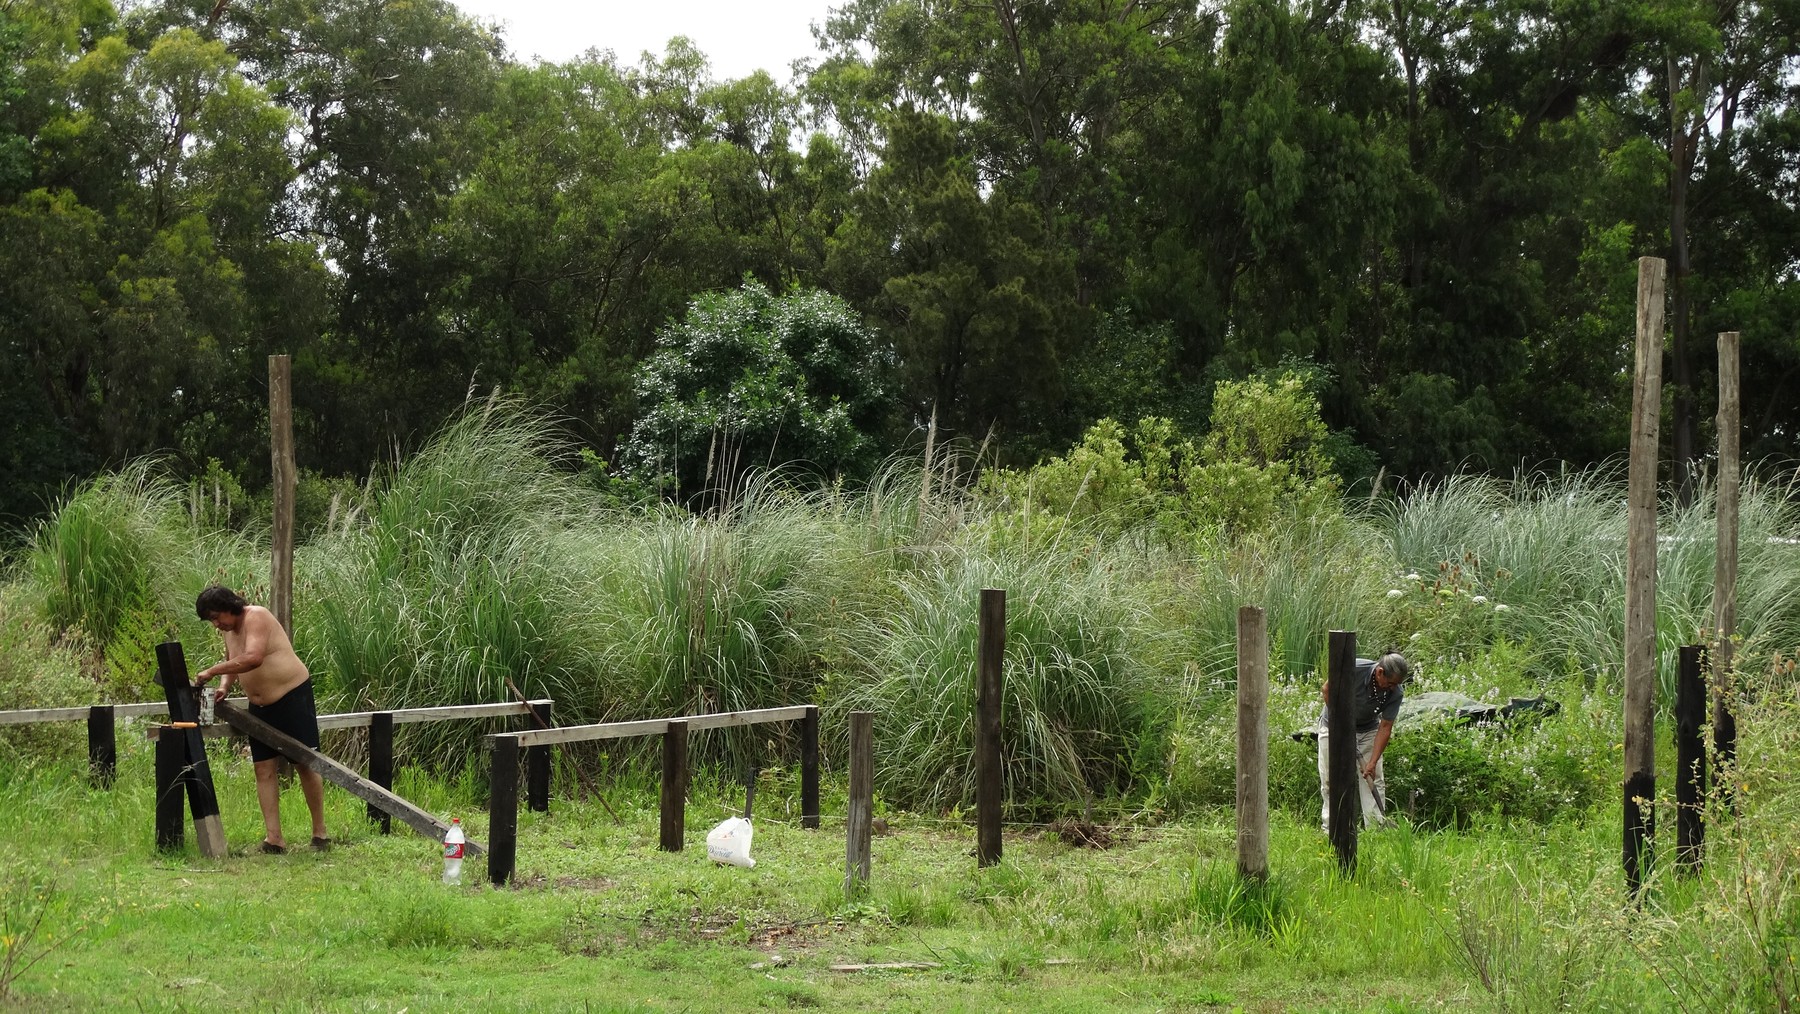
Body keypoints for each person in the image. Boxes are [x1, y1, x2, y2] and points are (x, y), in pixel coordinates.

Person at [192, 586, 329, 854]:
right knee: (263, 769)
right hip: (260, 706)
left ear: (231, 606)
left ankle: (320, 833)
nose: (217, 624)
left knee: (305, 763)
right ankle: (274, 839)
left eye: (218, 617)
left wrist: (211, 671)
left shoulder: (256, 616)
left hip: (291, 697)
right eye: (212, 620)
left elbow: (252, 658)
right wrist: (224, 685)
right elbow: (232, 659)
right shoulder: (228, 630)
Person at [1317, 652, 1410, 832]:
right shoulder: (1355, 668)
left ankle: (1375, 829)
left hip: (1367, 728)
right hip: (1334, 725)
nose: (1392, 688)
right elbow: (1327, 689)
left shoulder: (1395, 692)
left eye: (1396, 685)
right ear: (1380, 672)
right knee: (1331, 778)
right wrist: (1342, 724)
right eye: (1390, 683)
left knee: (1373, 779)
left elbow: (1385, 727)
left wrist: (1372, 762)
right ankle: (1332, 828)